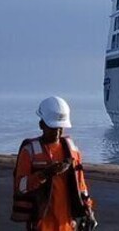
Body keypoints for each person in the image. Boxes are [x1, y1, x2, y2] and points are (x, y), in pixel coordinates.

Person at [12, 96, 97, 230]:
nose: (57, 132)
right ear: (41, 125)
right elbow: (20, 186)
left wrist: (89, 211)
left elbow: (81, 186)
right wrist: (45, 174)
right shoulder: (29, 152)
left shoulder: (73, 151)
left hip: (68, 225)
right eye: (53, 127)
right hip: (41, 225)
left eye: (60, 127)